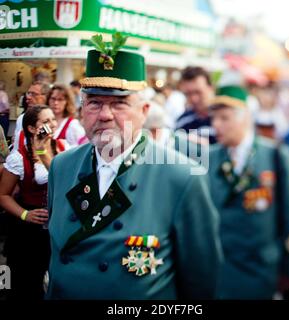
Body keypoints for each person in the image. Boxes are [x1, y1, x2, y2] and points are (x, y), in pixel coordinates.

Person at [45, 34, 222, 300]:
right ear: (81, 111)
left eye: (119, 103)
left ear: (144, 111)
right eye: (94, 103)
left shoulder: (182, 177)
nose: (105, 115)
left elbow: (202, 282)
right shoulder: (62, 166)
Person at [207, 85, 289, 299]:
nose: (216, 125)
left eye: (224, 118)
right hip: (220, 270)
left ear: (245, 117)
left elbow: (288, 217)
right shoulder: (209, 158)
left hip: (260, 269)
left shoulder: (275, 155)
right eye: (213, 118)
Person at [0, 105, 67, 299]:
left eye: (53, 119)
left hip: (58, 223)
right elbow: (2, 195)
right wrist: (25, 214)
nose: (52, 125)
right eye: (45, 122)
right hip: (29, 228)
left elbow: (63, 180)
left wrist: (41, 152)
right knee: (27, 281)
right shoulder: (18, 157)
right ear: (31, 128)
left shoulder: (63, 147)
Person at [176, 66, 216, 144]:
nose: (194, 99)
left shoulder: (226, 118)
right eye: (188, 94)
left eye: (198, 92)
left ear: (211, 88)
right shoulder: (183, 120)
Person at [13, 81, 51, 150]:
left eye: (34, 94)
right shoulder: (22, 118)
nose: (28, 97)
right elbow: (16, 149)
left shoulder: (52, 121)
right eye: (28, 93)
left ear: (46, 97)